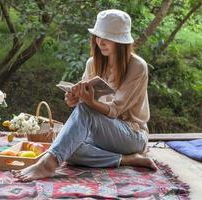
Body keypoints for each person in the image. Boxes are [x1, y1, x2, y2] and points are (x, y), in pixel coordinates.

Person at [12, 9, 157, 182]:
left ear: (120, 42)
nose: (100, 42)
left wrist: (88, 102)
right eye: (98, 36)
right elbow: (84, 105)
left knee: (74, 127)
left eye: (107, 38)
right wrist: (74, 98)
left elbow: (115, 110)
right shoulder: (92, 64)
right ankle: (127, 159)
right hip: (101, 134)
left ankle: (47, 165)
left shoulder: (137, 66)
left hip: (132, 135)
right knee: (66, 146)